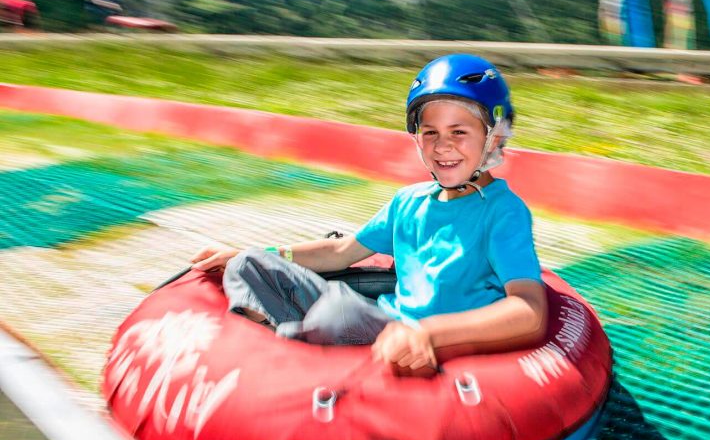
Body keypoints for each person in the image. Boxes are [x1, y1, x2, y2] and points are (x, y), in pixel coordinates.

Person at [190, 54, 548, 376]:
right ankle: (265, 341)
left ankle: (275, 353)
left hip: (414, 337)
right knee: (248, 264)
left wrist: (427, 333)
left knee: (337, 312)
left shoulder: (503, 212)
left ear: (495, 137)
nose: (442, 146)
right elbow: (340, 252)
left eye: (459, 132)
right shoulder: (409, 201)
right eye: (430, 133)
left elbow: (529, 309)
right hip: (380, 320)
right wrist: (259, 254)